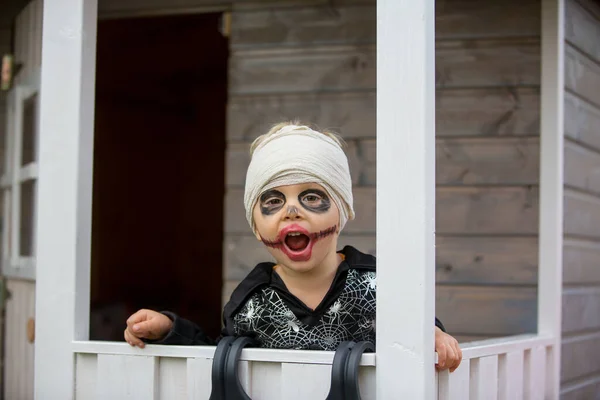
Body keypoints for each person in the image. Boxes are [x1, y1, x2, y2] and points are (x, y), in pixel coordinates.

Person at [124, 122, 463, 372]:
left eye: (312, 197)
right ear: (257, 226)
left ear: (341, 212)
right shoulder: (251, 302)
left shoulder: (377, 284)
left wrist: (431, 334)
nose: (291, 210)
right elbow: (219, 359)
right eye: (272, 200)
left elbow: (416, 324)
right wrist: (169, 329)